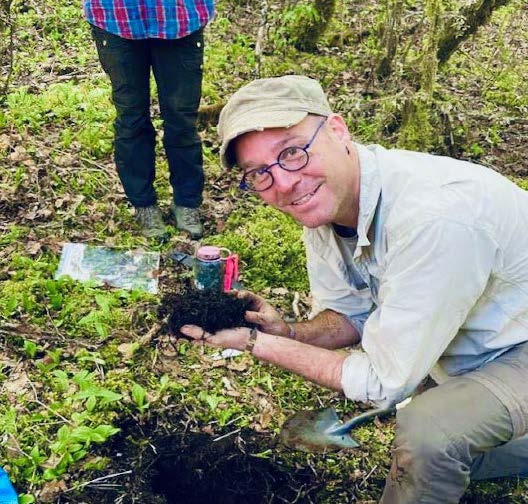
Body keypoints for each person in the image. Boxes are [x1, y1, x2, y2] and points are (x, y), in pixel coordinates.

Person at [180, 75, 528, 503]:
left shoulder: (435, 217)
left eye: (291, 152)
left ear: (338, 130)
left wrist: (254, 343)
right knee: (435, 424)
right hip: (468, 343)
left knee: (430, 432)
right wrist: (284, 332)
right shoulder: (328, 205)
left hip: (519, 347)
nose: (284, 183)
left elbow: (384, 383)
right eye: (259, 174)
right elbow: (352, 313)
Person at [83, 0, 213, 239]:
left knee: (181, 118)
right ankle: (144, 204)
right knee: (131, 119)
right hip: (116, 18)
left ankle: (187, 203)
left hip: (180, 18)